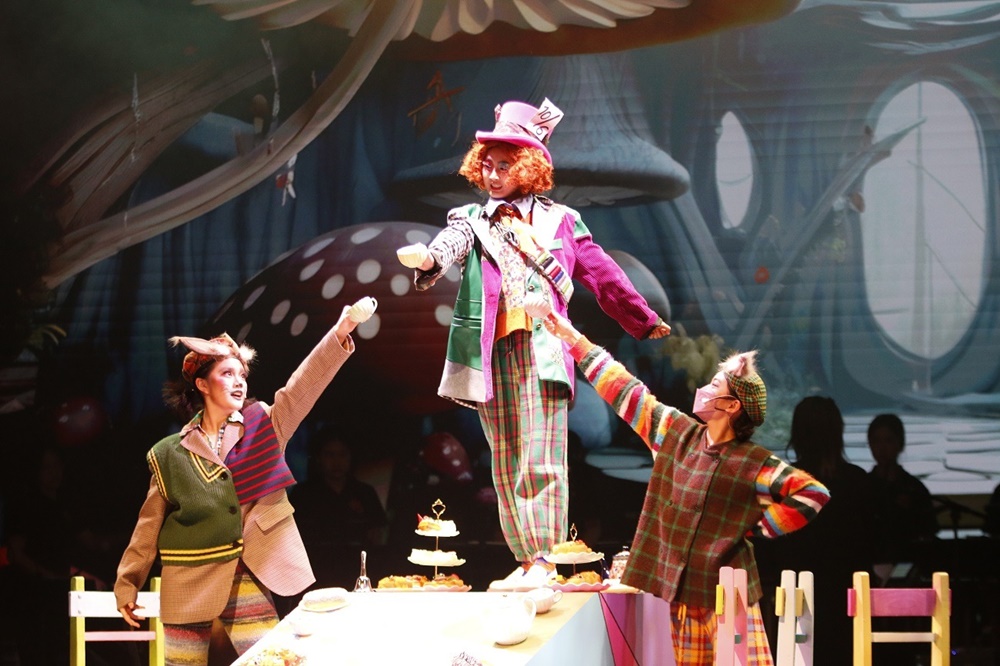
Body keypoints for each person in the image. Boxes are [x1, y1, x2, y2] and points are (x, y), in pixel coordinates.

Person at [396, 98, 670, 587]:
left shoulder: (560, 221)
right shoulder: (471, 218)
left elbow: (601, 271)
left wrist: (641, 318)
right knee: (505, 462)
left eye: (504, 165)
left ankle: (545, 558)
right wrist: (428, 259)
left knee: (541, 458)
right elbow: (451, 244)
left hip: (542, 349)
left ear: (527, 167)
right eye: (488, 164)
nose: (493, 174)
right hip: (489, 353)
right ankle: (527, 562)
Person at [529, 300, 829, 665]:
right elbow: (625, 390)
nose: (704, 388)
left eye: (715, 384)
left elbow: (811, 494)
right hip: (682, 590)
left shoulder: (752, 462)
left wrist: (756, 527)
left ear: (732, 405)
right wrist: (575, 340)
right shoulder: (676, 432)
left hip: (729, 592)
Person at [114, 297, 375, 665]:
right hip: (187, 578)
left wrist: (341, 331)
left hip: (244, 574)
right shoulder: (170, 453)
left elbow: (303, 387)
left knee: (270, 659)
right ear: (202, 384)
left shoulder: (263, 424)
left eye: (242, 375)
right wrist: (127, 583)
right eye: (227, 374)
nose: (238, 382)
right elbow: (148, 525)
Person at [765, 396, 876, 666]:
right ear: (838, 432)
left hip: (795, 596)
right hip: (849, 597)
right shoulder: (858, 481)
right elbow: (873, 542)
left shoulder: (782, 483)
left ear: (798, 434)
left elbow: (769, 546)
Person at [289, 427, 387, 590]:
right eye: (330, 455)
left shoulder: (364, 492)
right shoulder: (303, 494)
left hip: (356, 573)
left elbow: (378, 533)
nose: (337, 462)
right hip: (315, 574)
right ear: (319, 458)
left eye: (342, 455)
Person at [866, 413, 938, 563]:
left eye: (888, 440)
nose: (882, 448)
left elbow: (928, 529)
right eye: (876, 441)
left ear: (900, 444)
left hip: (908, 559)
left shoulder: (914, 488)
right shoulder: (863, 486)